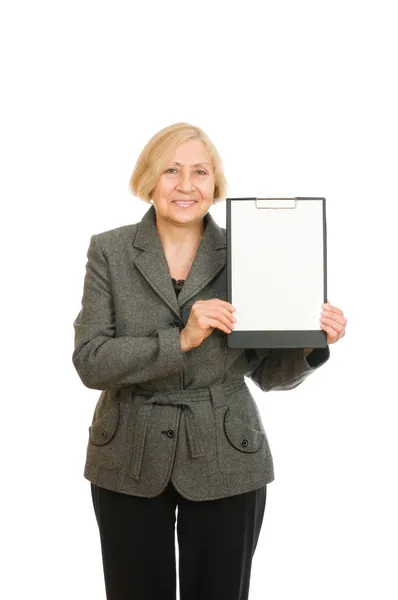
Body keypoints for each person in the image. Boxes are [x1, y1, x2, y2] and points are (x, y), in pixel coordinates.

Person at [72, 122, 347, 600]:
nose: (185, 185)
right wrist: (180, 339)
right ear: (148, 179)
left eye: (200, 172)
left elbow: (266, 373)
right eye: (171, 171)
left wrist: (309, 344)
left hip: (226, 449)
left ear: (214, 184)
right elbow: (91, 361)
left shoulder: (252, 248)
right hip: (128, 451)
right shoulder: (110, 250)